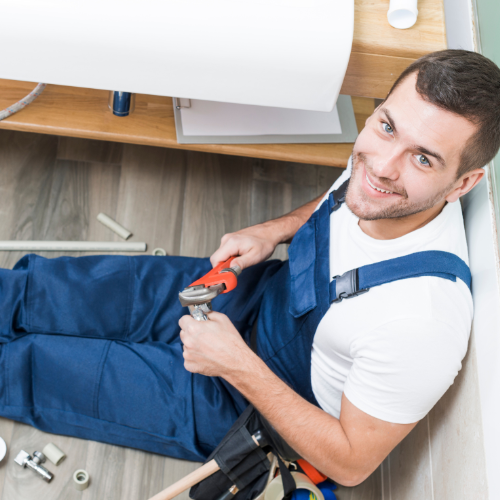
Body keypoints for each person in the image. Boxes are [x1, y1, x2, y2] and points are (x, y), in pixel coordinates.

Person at [1, 49, 499, 487]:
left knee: (33, 367)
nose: (384, 165)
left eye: (424, 159)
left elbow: (350, 464)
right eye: (387, 126)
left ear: (463, 183)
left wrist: (235, 364)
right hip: (253, 296)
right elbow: (345, 199)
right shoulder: (381, 167)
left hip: (252, 407)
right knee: (44, 290)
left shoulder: (423, 322)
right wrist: (274, 230)